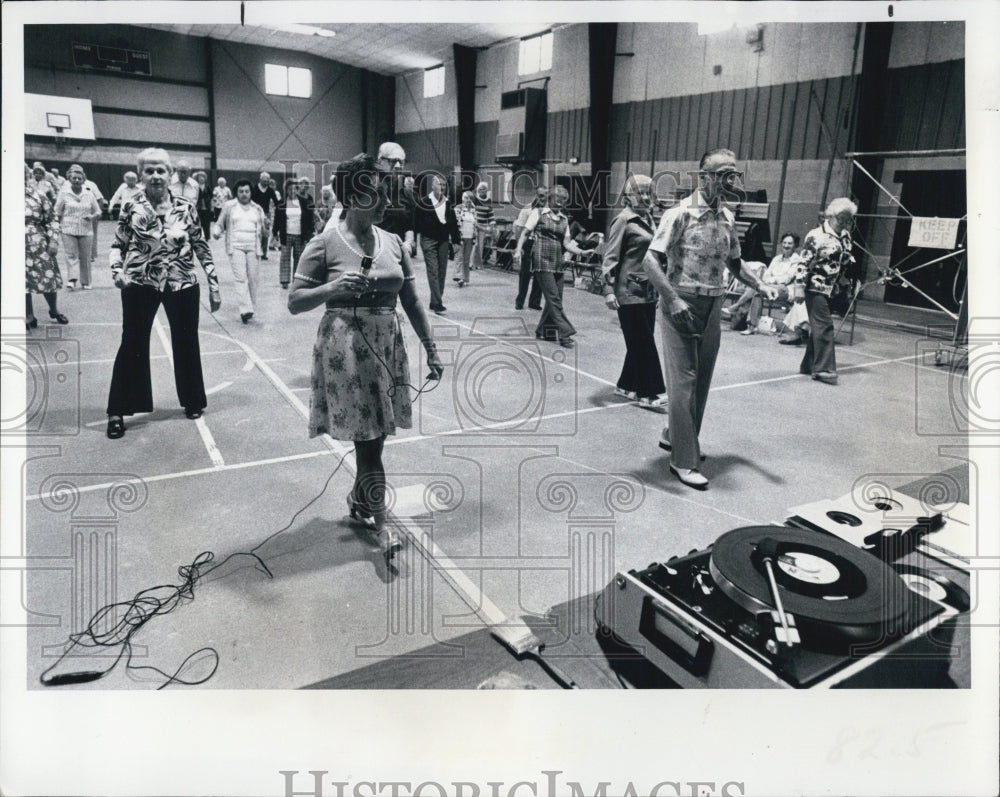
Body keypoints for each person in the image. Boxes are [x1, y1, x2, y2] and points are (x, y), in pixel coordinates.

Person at [288, 154, 444, 558]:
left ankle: (359, 501)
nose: (385, 202)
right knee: (370, 443)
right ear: (352, 197)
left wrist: (431, 349)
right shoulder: (324, 243)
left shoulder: (393, 242)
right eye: (377, 194)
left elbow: (412, 301)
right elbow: (295, 301)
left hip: (387, 348)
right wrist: (333, 288)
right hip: (346, 353)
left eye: (386, 194)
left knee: (377, 437)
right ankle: (381, 525)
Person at [642, 148, 779, 489]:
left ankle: (676, 436)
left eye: (734, 174)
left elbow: (735, 263)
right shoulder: (679, 214)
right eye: (723, 174)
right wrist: (672, 299)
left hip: (713, 305)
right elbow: (650, 261)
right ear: (703, 176)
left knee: (700, 382)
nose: (730, 181)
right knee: (683, 384)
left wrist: (760, 285)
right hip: (681, 303)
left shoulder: (727, 217)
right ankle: (683, 460)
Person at [105, 147, 222, 440]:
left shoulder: (186, 207)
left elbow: (201, 245)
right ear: (141, 175)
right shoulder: (131, 206)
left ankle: (193, 400)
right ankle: (117, 410)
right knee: (132, 341)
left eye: (161, 170)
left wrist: (214, 284)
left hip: (182, 281)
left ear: (170, 174)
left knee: (186, 340)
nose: (156, 175)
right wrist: (116, 271)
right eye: (150, 170)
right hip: (139, 282)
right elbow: (117, 245)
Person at [601, 174, 667, 411]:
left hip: (648, 291)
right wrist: (608, 289)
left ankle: (626, 385)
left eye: (649, 193)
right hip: (628, 292)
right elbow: (610, 257)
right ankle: (649, 393)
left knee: (639, 340)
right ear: (629, 196)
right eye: (640, 193)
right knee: (643, 341)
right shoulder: (623, 220)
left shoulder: (648, 218)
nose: (646, 197)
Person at [512, 185, 587, 348]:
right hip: (541, 259)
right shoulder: (538, 213)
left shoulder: (564, 219)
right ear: (550, 198)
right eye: (558, 199)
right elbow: (525, 233)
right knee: (553, 298)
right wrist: (518, 250)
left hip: (558, 261)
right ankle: (565, 333)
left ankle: (544, 330)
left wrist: (582, 252)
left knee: (556, 298)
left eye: (564, 201)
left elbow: (567, 243)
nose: (560, 203)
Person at [793, 198, 858, 385]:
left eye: (848, 219)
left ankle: (809, 365)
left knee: (819, 327)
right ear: (831, 215)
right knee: (825, 326)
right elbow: (803, 262)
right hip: (814, 286)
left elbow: (845, 258)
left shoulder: (845, 236)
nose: (844, 222)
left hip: (832, 288)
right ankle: (823, 369)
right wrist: (799, 287)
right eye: (841, 218)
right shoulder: (816, 235)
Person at [214, 179, 267, 323]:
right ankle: (245, 310)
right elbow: (219, 223)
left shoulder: (257, 208)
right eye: (241, 191)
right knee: (240, 278)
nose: (244, 194)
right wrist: (216, 231)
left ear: (251, 192)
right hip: (235, 247)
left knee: (253, 279)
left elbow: (264, 230)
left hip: (254, 247)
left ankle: (251, 308)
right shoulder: (229, 206)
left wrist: (267, 228)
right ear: (236, 193)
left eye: (247, 191)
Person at [25, 164, 68, 328]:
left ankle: (54, 310)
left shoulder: (39, 196)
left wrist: (53, 241)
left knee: (47, 276)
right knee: (20, 281)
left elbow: (52, 220)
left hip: (38, 243)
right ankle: (29, 316)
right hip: (12, 244)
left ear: (27, 176)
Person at [413, 174, 461, 313]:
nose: (442, 187)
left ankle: (434, 301)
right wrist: (414, 240)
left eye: (444, 185)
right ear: (433, 186)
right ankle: (438, 303)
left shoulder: (447, 203)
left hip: (443, 240)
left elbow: (453, 223)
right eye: (439, 184)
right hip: (428, 239)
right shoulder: (424, 202)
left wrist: (456, 241)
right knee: (433, 271)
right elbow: (415, 221)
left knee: (442, 271)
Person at [54, 164, 102, 291]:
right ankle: (72, 280)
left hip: (86, 230)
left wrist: (92, 217)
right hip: (67, 229)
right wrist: (56, 225)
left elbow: (98, 211)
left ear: (83, 180)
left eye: (79, 178)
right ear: (69, 179)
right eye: (74, 178)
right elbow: (57, 211)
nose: (76, 180)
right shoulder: (64, 193)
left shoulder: (89, 194)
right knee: (71, 255)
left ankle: (86, 282)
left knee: (85, 257)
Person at [273, 176, 316, 288]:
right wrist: (274, 233)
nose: (292, 191)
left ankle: (296, 281)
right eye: (289, 189)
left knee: (299, 258)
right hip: (286, 234)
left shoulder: (304, 202)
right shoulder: (281, 203)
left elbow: (309, 219)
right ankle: (284, 281)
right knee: (285, 258)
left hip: (300, 235)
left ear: (297, 189)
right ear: (286, 190)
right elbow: (277, 219)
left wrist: (311, 232)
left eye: (294, 189)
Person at [375, 142, 416, 256]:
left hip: (398, 254)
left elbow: (409, 226)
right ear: (380, 161)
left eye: (401, 162)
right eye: (393, 161)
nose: (398, 166)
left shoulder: (407, 194)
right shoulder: (368, 190)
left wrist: (408, 243)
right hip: (374, 252)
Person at [513, 184, 547, 310]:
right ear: (536, 195)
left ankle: (534, 302)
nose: (544, 198)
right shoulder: (527, 209)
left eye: (546, 195)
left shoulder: (548, 210)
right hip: (528, 244)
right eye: (541, 195)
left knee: (539, 274)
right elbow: (519, 228)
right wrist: (519, 247)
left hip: (542, 245)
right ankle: (520, 301)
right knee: (525, 273)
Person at [250, 172, 279, 258]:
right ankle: (255, 251)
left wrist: (280, 208)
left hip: (266, 214)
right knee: (255, 232)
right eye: (264, 181)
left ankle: (264, 253)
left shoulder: (270, 190)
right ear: (260, 180)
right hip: (255, 212)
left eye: (267, 181)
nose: (266, 183)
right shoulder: (254, 188)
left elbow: (276, 201)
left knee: (266, 234)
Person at [455, 190, 478, 287]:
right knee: (459, 257)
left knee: (466, 259)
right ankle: (459, 277)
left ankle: (466, 278)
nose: (468, 200)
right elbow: (456, 222)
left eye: (469, 198)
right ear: (462, 199)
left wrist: (475, 237)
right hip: (460, 236)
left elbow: (475, 223)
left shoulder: (474, 209)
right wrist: (455, 236)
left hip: (470, 236)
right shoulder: (458, 208)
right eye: (465, 198)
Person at [472, 180, 495, 269]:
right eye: (481, 189)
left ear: (486, 190)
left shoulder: (488, 201)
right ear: (478, 190)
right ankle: (471, 263)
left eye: (484, 189)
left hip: (483, 226)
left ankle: (478, 263)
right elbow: (472, 211)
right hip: (474, 225)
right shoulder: (475, 199)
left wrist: (492, 225)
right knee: (474, 244)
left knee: (480, 245)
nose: (482, 190)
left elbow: (491, 214)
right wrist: (474, 222)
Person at [193, 171, 214, 238]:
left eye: (203, 177)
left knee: (207, 223)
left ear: (205, 178)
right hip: (198, 207)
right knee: (198, 222)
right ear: (197, 178)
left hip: (207, 207)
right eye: (200, 177)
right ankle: (198, 236)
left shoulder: (207, 187)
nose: (201, 178)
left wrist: (212, 207)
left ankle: (207, 236)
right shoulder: (195, 186)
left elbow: (211, 197)